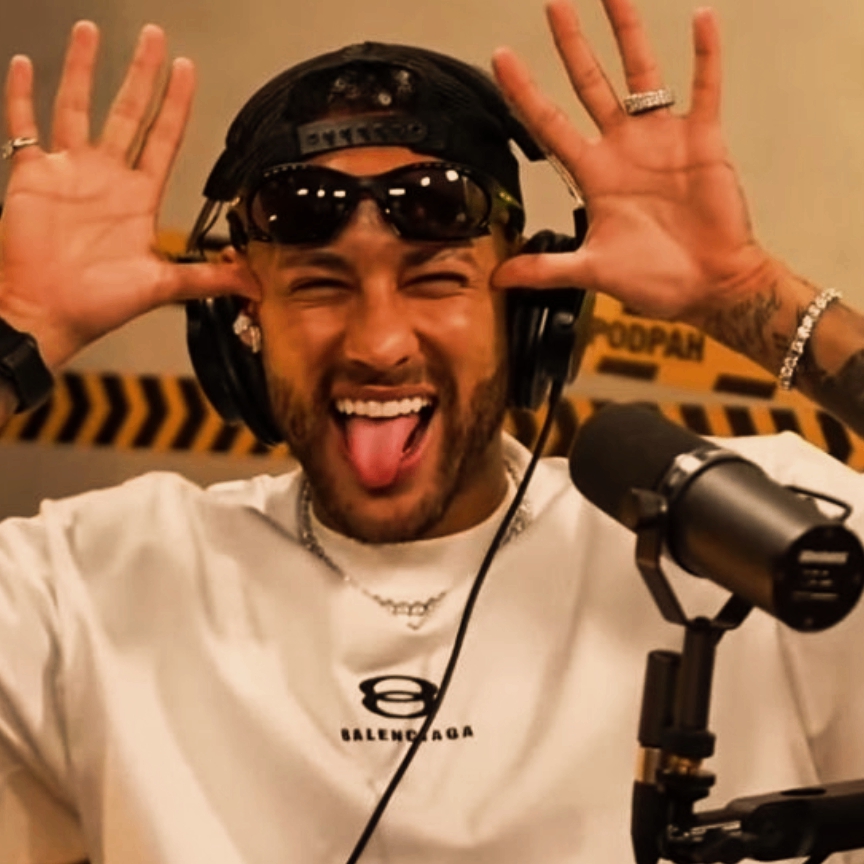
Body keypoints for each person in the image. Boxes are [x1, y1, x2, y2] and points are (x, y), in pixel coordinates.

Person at [1, 1, 864, 862]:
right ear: (239, 328)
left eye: (436, 280)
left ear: (531, 316)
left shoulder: (756, 534)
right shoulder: (90, 584)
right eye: (319, 285)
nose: (379, 345)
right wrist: (21, 329)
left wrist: (748, 295)